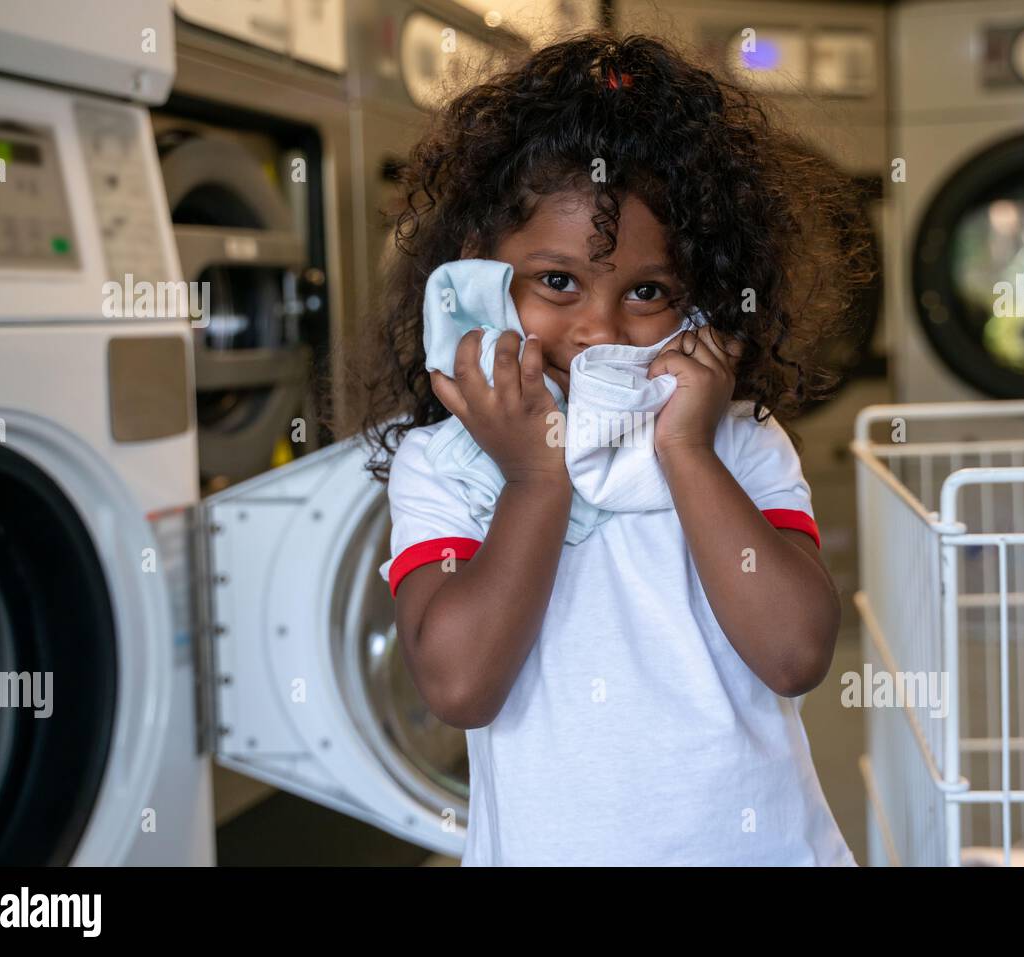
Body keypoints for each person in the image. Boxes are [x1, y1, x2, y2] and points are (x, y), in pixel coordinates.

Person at [350, 31, 871, 866]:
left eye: (648, 291)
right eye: (557, 281)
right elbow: (459, 686)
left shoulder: (737, 441)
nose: (598, 330)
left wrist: (688, 453)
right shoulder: (446, 465)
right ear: (478, 277)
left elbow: (795, 654)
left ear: (701, 297)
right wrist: (534, 476)